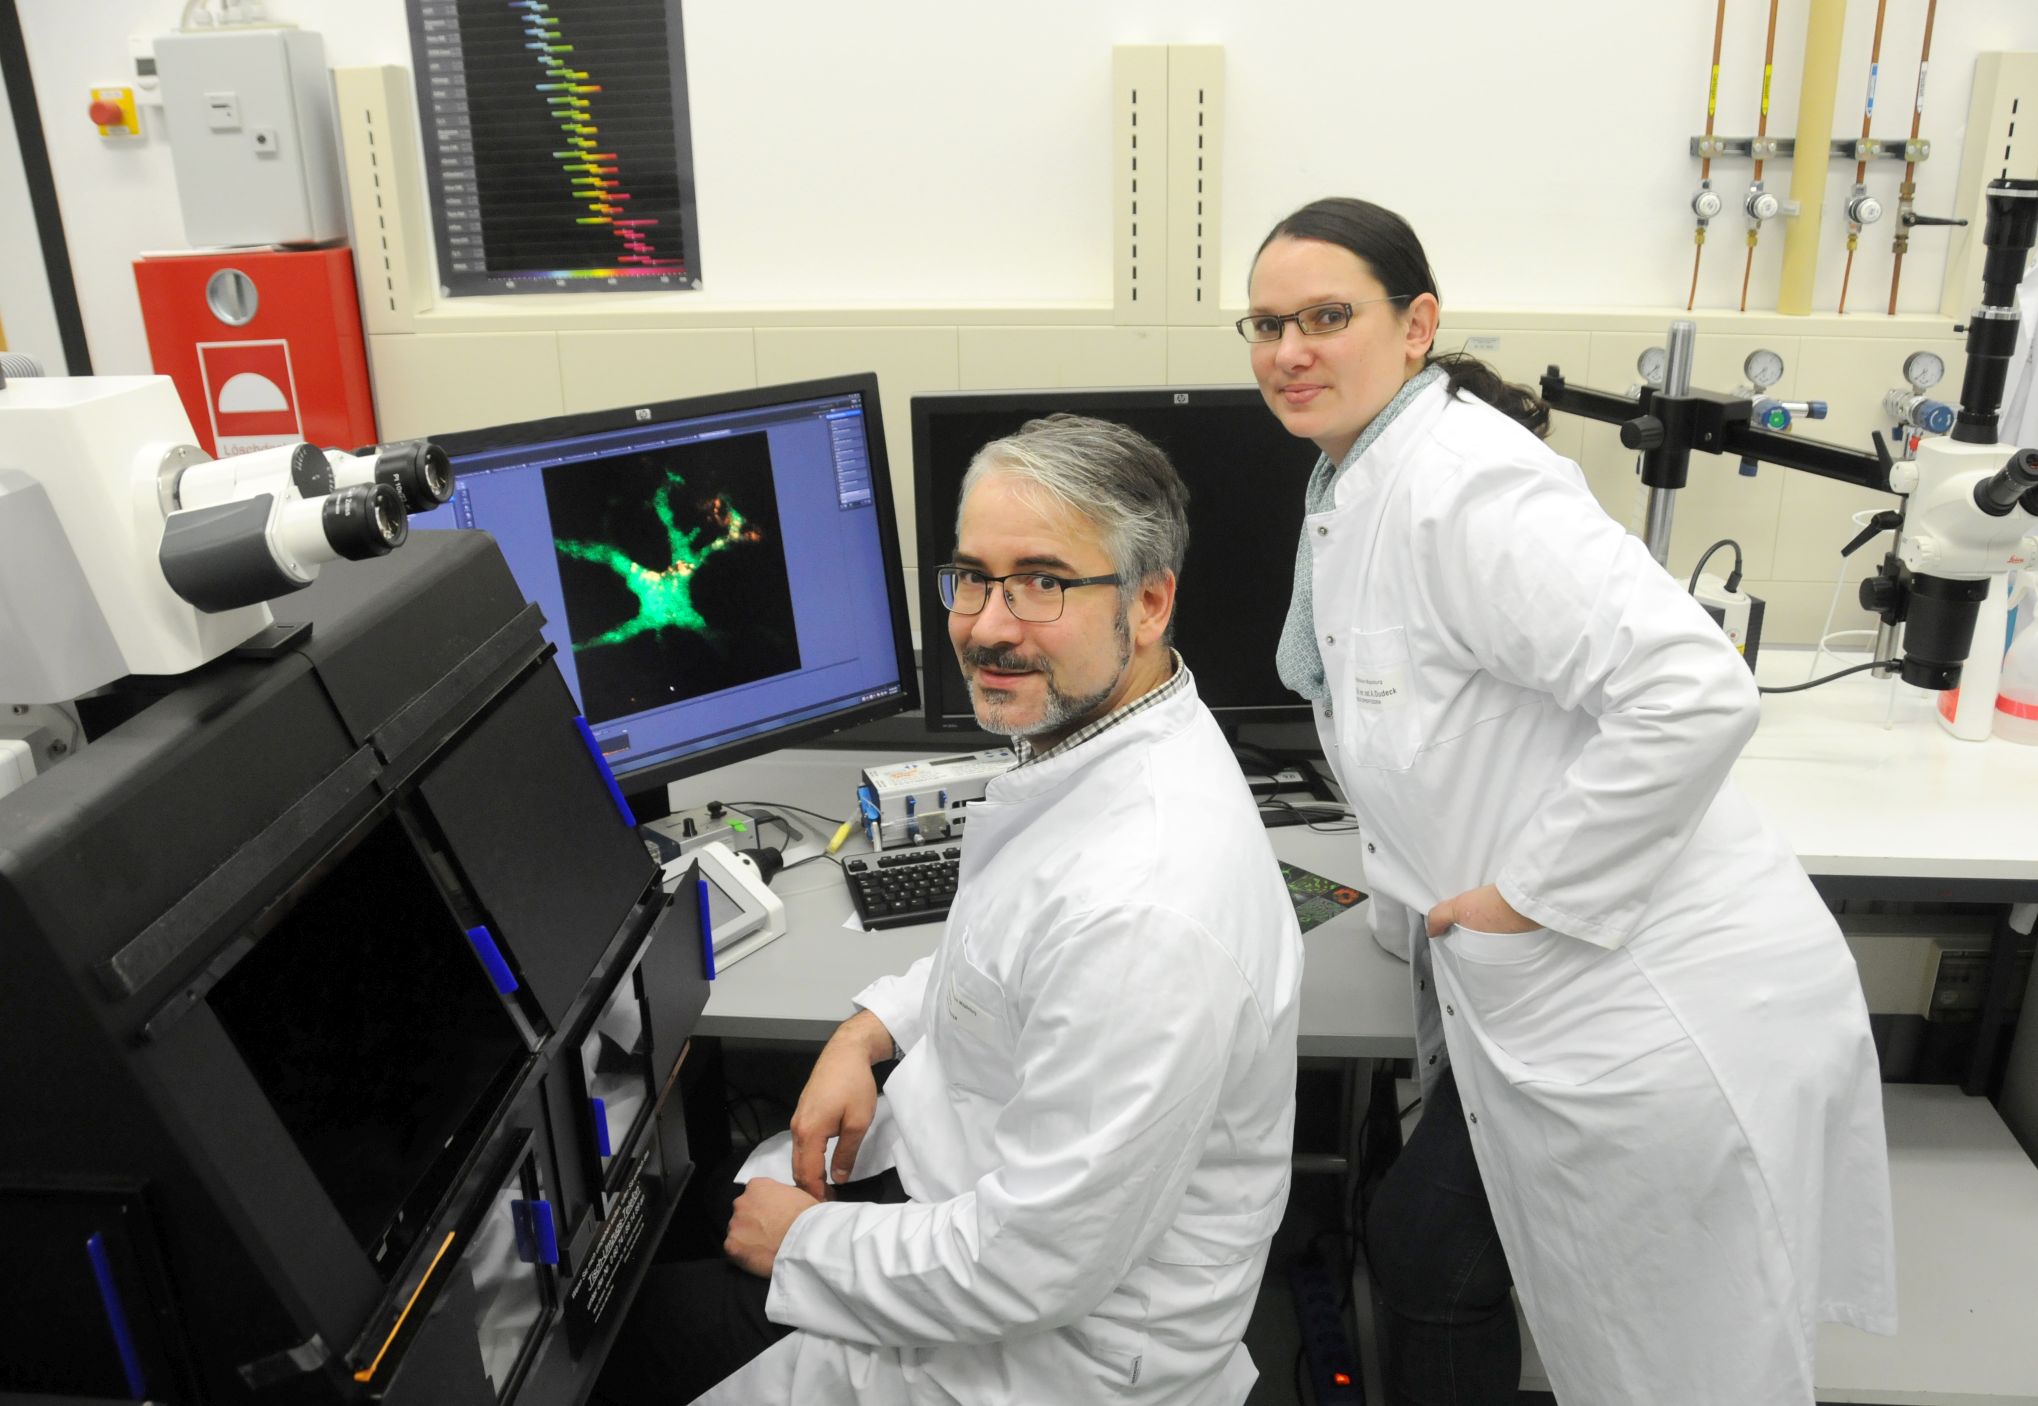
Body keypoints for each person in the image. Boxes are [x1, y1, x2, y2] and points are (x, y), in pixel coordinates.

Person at [1242, 197, 1896, 1406]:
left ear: (1415, 324)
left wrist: (1521, 898)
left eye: (1325, 317)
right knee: (1428, 1246)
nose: (1289, 350)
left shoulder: (1466, 487)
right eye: (1267, 324)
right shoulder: (1358, 483)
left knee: (1551, 1304)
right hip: (1560, 983)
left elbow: (1692, 690)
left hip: (1656, 998)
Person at [599, 414, 1304, 1405]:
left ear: (1148, 603)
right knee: (673, 1218)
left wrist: (806, 1244)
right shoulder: (1100, 742)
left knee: (615, 1351)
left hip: (1036, 1342)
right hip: (958, 1188)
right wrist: (870, 1028)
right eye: (973, 576)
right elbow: (1019, 948)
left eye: (1042, 582)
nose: (986, 624)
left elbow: (1029, 1265)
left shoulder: (1147, 911)